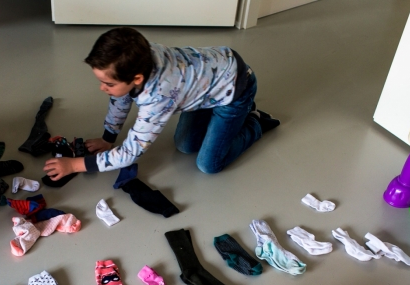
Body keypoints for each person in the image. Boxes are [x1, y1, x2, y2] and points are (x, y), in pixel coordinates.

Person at [43, 27, 279, 182]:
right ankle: (223, 115)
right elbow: (120, 97)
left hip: (236, 88)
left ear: (136, 79)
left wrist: (75, 165)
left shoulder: (158, 98)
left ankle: (255, 120)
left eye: (107, 83)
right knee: (185, 145)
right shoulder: (140, 55)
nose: (102, 88)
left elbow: (129, 154)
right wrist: (108, 138)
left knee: (208, 164)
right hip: (205, 87)